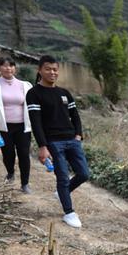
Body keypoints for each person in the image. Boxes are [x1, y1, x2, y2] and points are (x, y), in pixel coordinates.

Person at [26, 55, 89, 229]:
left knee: (84, 174)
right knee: (62, 177)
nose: (52, 72)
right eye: (48, 69)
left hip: (72, 140)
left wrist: (78, 135)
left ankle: (63, 193)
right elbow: (36, 122)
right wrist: (43, 147)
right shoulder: (34, 94)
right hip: (53, 142)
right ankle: (69, 213)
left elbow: (75, 116)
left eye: (55, 69)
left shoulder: (64, 93)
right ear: (40, 70)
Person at [0, 56, 34, 193]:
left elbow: (32, 105)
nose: (8, 68)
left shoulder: (26, 85)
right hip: (3, 127)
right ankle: (10, 172)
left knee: (24, 154)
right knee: (8, 154)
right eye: (4, 66)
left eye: (11, 65)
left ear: (15, 68)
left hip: (23, 127)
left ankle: (25, 184)